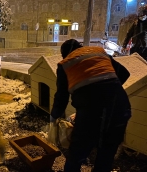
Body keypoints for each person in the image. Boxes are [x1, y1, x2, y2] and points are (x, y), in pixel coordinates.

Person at [50, 39, 132, 172]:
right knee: (107, 153)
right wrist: (108, 91)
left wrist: (54, 117)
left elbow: (61, 97)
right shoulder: (99, 52)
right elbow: (124, 73)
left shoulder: (65, 64)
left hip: (91, 112)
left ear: (65, 54)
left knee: (77, 152)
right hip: (120, 107)